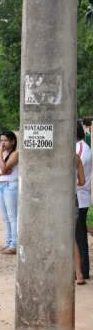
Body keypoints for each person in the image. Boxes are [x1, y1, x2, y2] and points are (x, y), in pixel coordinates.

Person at [0, 130, 19, 254]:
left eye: (5, 140)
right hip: (1, 186)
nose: (2, 143)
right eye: (1, 140)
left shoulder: (15, 154)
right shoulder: (2, 154)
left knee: (13, 217)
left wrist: (0, 154)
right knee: (5, 217)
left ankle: (14, 244)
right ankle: (8, 242)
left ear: (12, 142)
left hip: (11, 186)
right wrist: (1, 172)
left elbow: (3, 167)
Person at [75, 121, 91, 280]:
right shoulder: (81, 146)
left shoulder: (79, 148)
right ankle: (81, 269)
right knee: (78, 236)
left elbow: (78, 175)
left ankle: (83, 270)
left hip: (79, 197)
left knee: (78, 237)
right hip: (80, 196)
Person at [76, 153, 87, 285]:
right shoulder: (76, 158)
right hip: (72, 198)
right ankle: (79, 274)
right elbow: (82, 181)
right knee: (72, 238)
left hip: (54, 199)